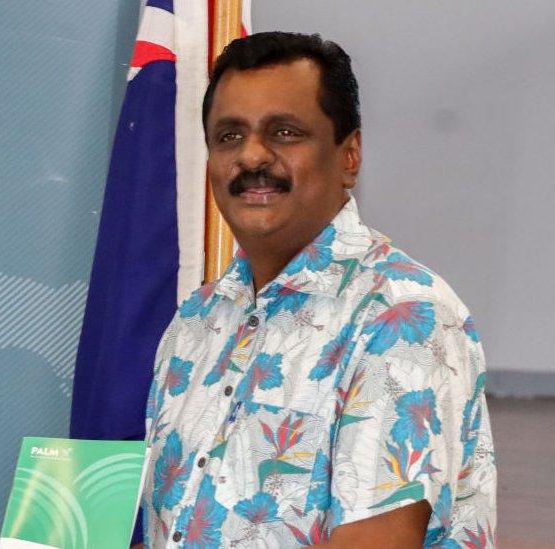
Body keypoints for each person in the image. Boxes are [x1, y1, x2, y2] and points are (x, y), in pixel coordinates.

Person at [142, 32, 495, 547]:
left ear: (349, 156)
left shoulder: (402, 318)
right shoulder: (197, 321)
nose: (252, 157)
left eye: (284, 132)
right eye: (229, 136)